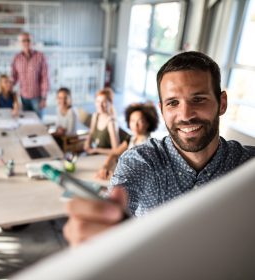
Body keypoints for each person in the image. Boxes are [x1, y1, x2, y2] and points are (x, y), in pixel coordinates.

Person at [64, 51, 255, 246]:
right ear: (162, 109)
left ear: (222, 103)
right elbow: (115, 207)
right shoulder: (139, 161)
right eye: (173, 103)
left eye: (198, 99)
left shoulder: (249, 166)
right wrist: (101, 225)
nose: (186, 115)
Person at [96, 102, 159, 180]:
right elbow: (115, 153)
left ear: (148, 123)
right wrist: (105, 167)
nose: (135, 125)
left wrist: (117, 176)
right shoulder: (130, 138)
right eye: (132, 120)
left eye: (140, 121)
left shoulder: (150, 144)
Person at [11, 32, 49, 118]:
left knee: (38, 122)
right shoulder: (16, 58)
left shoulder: (40, 56)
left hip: (37, 97)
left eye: (28, 40)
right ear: (20, 43)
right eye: (23, 40)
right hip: (23, 97)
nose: (26, 43)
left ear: (32, 42)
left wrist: (44, 98)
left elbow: (45, 78)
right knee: (27, 121)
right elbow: (13, 77)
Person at [83, 89, 119, 155]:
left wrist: (96, 150)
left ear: (110, 103)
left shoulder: (111, 122)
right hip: (94, 153)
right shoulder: (96, 115)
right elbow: (91, 132)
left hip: (106, 157)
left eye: (104, 102)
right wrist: (87, 143)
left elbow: (116, 150)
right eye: (98, 101)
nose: (100, 105)